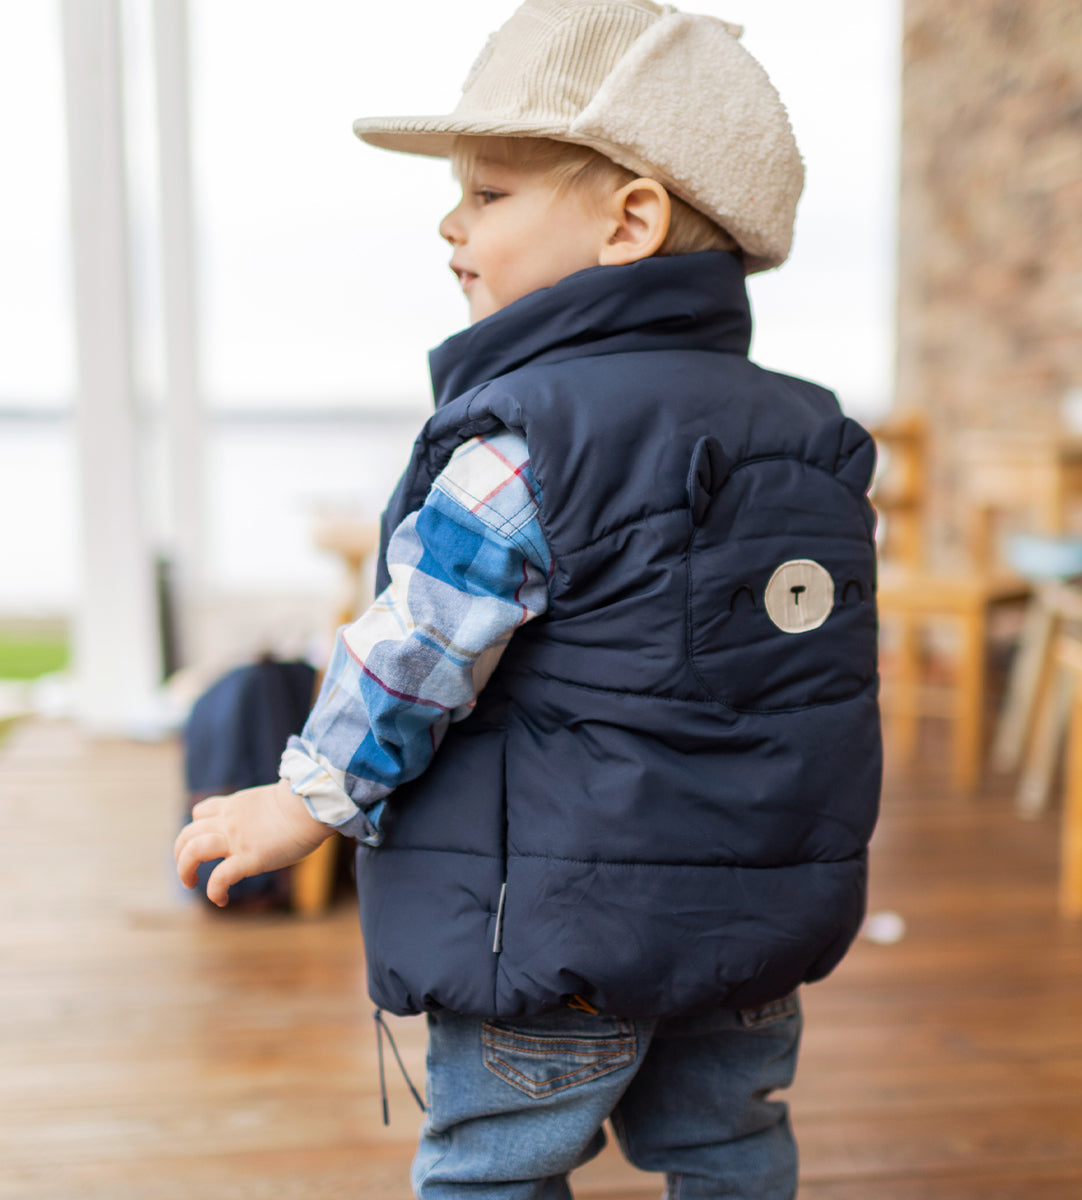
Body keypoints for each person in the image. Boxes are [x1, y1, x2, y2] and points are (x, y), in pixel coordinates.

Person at [175, 2, 882, 1196]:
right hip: (751, 933)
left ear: (631, 220)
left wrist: (307, 801)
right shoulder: (816, 439)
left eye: (489, 194)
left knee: (496, 1169)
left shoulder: (524, 446)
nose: (449, 223)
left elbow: (416, 650)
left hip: (559, 935)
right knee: (729, 1148)